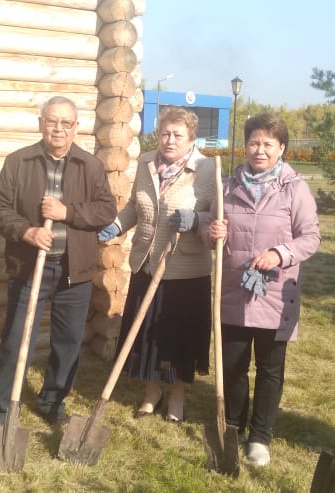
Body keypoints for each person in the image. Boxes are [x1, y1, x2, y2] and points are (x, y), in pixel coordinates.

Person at [0, 96, 116, 430]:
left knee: (68, 341)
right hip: (29, 266)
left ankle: (52, 400)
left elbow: (106, 210)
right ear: (41, 123)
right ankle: (3, 409)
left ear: (76, 127)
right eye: (52, 121)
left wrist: (67, 213)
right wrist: (26, 232)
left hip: (75, 270)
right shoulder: (19, 162)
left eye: (65, 123)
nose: (58, 129)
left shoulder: (90, 166)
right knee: (16, 338)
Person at [205, 113, 320, 466]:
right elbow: (211, 227)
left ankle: (260, 437)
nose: (260, 150)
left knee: (270, 369)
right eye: (254, 142)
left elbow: (310, 238)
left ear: (281, 148)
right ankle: (234, 427)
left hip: (275, 294)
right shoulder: (226, 186)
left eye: (269, 144)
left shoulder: (294, 188)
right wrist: (211, 233)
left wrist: (279, 253)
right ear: (246, 145)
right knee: (234, 365)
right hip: (234, 290)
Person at [98, 106, 216, 423]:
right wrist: (117, 225)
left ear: (192, 139)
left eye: (178, 135)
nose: (169, 140)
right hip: (146, 264)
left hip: (185, 271)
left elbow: (218, 220)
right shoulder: (147, 163)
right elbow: (136, 207)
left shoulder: (207, 171)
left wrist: (196, 220)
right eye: (165, 133)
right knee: (146, 334)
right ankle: (152, 392)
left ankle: (176, 394)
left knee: (179, 337)